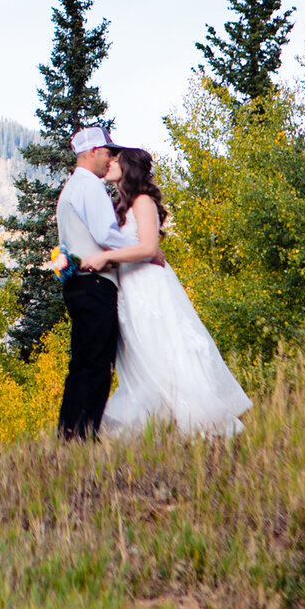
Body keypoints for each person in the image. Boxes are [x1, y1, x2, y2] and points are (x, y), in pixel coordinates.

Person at [88, 145, 252, 439]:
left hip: (149, 288)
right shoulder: (121, 205)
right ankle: (157, 425)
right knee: (140, 356)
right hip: (130, 289)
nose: (110, 162)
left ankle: (198, 422)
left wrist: (104, 259)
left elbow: (148, 247)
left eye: (117, 159)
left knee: (161, 350)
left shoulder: (142, 201)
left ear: (129, 168)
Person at [54, 125, 128, 439]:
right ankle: (84, 433)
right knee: (98, 362)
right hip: (96, 282)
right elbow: (105, 234)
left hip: (76, 284)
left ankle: (68, 430)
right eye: (108, 151)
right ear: (93, 152)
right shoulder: (90, 187)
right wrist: (141, 250)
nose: (111, 158)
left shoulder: (68, 189)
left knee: (83, 360)